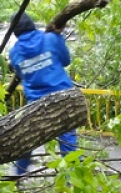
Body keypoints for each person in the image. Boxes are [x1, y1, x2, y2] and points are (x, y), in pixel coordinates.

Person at [8, 12, 77, 176]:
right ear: (32, 23)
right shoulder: (51, 39)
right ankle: (73, 185)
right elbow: (66, 61)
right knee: (68, 145)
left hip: (37, 105)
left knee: (26, 143)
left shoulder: (14, 53)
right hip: (64, 99)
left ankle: (16, 177)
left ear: (14, 31)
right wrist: (58, 38)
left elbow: (21, 72)